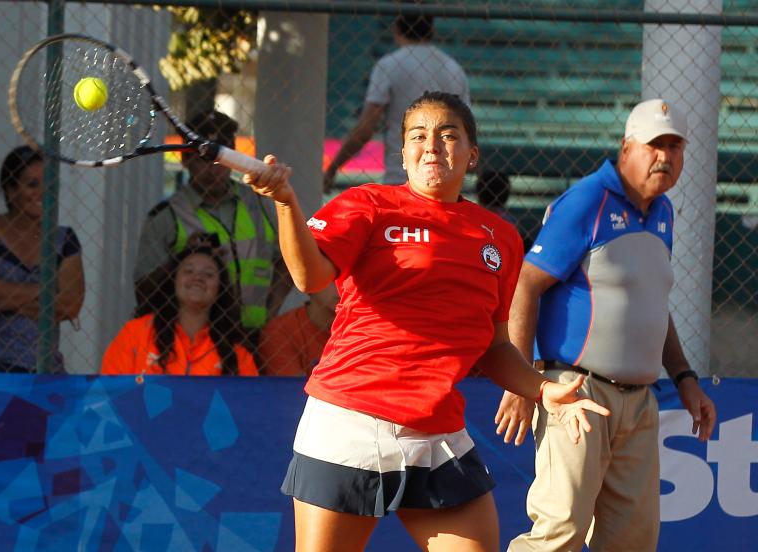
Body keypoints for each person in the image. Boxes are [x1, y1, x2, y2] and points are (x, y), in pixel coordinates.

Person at [243, 91, 609, 552]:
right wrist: (285, 202)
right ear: (403, 154)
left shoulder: (502, 239)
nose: (432, 145)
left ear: (471, 155)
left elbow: (494, 346)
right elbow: (309, 275)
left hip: (438, 434)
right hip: (349, 422)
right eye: (418, 135)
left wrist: (541, 389)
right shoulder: (368, 204)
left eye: (447, 135)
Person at [497, 99, 717, 552]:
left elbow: (652, 305)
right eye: (656, 145)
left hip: (640, 401)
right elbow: (524, 285)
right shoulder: (587, 201)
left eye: (675, 147)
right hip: (577, 393)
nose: (666, 157)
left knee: (632, 542)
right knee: (559, 533)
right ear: (626, 149)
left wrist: (685, 378)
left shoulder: (663, 213)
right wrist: (522, 382)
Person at [133, 111, 291, 349]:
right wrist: (182, 259)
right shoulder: (167, 216)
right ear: (184, 160)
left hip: (258, 338)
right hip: (197, 340)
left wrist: (271, 312)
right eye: (202, 160)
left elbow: (288, 260)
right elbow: (144, 291)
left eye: (220, 160)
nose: (213, 170)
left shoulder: (258, 203)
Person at [0, 145, 85, 373]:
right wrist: (47, 291)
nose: (43, 191)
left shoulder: (63, 239)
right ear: (10, 190)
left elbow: (70, 305)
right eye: (32, 184)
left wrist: (6, 295)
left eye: (48, 182)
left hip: (45, 372)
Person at [323, 13, 469, 192]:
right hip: (446, 179)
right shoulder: (453, 68)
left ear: (397, 29)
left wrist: (333, 168)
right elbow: (467, 130)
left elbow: (366, 128)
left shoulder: (389, 65)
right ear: (432, 30)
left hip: (402, 177)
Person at [103, 245, 258, 376]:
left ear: (220, 289)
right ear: (173, 281)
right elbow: (109, 394)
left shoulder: (236, 353)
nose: (197, 278)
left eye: (208, 274)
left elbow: (248, 408)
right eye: (188, 271)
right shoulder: (136, 333)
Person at [257, 283, 338, 376]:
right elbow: (290, 388)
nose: (342, 286)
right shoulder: (281, 330)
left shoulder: (357, 329)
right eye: (334, 278)